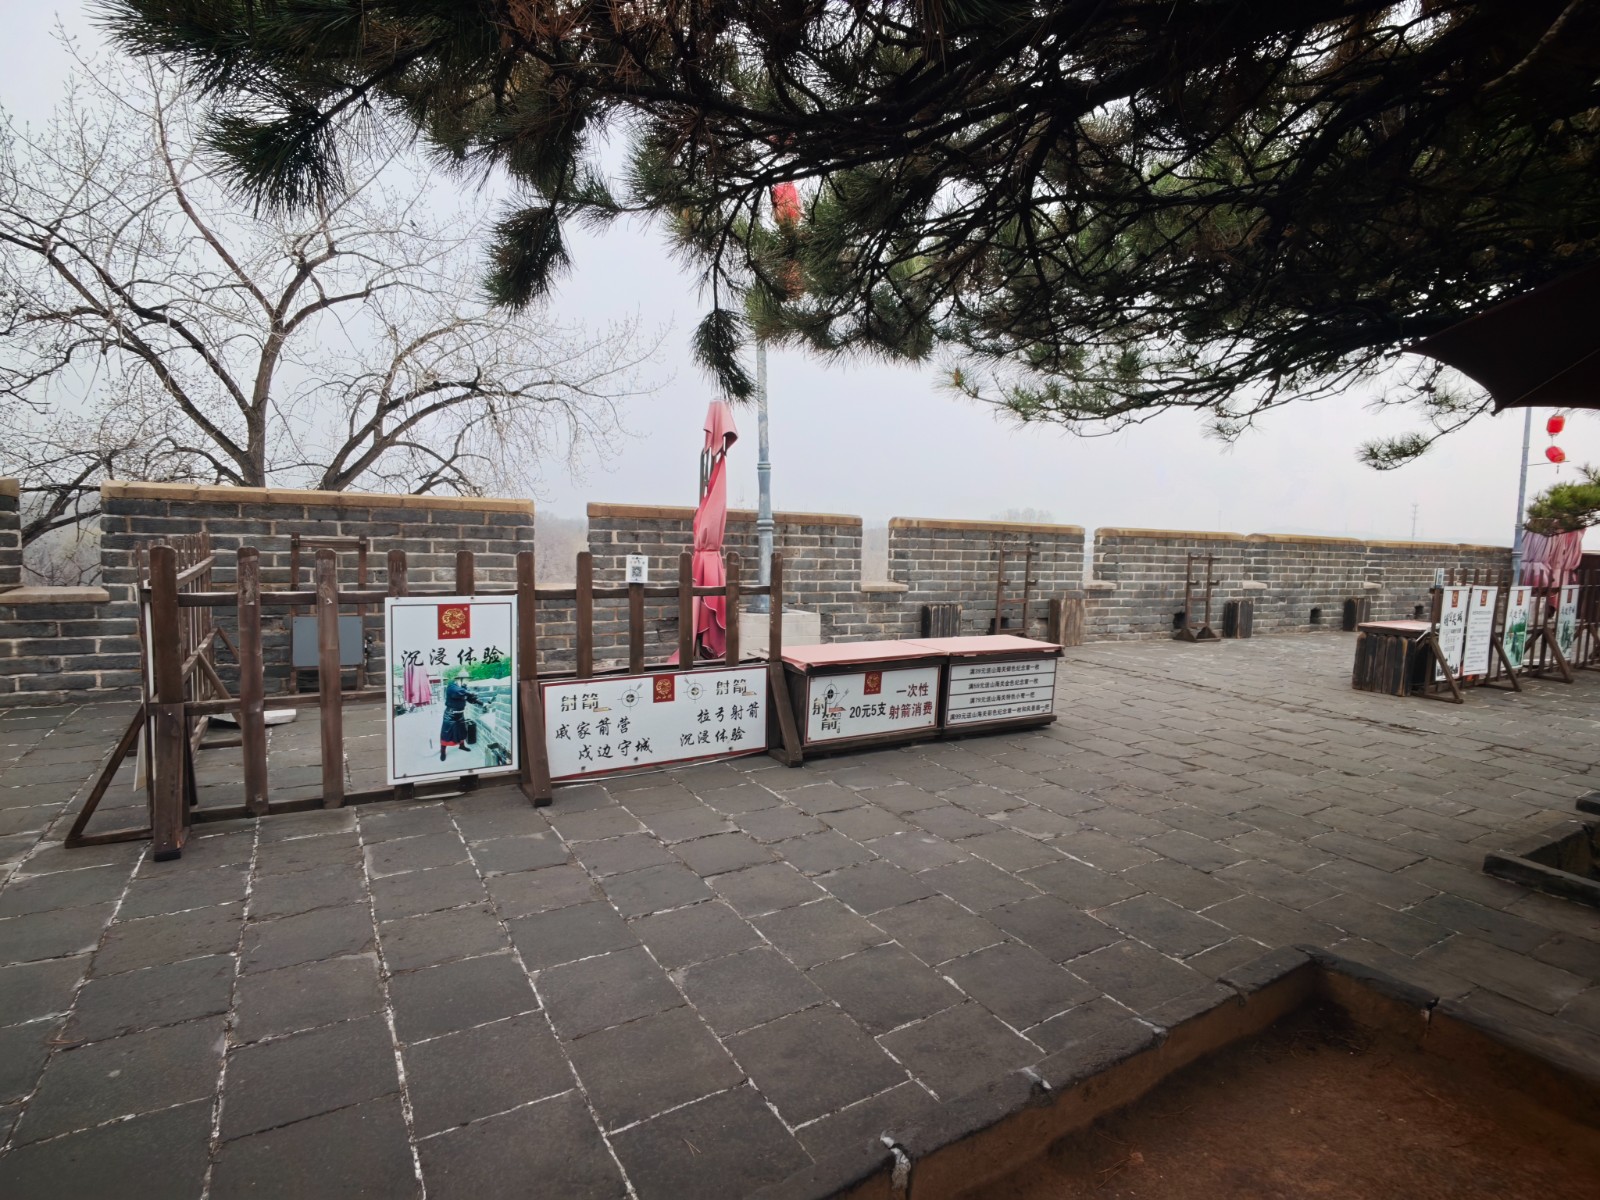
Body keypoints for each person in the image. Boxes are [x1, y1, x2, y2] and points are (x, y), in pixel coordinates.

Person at [438, 673, 483, 761]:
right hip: (450, 715)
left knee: (462, 731)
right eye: (466, 679)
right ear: (459, 679)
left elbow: (469, 698)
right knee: (446, 733)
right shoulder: (451, 687)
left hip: (460, 715)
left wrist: (480, 702)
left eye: (468, 679)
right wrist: (470, 693)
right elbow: (458, 692)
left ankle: (461, 746)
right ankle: (443, 751)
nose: (467, 681)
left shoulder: (463, 689)